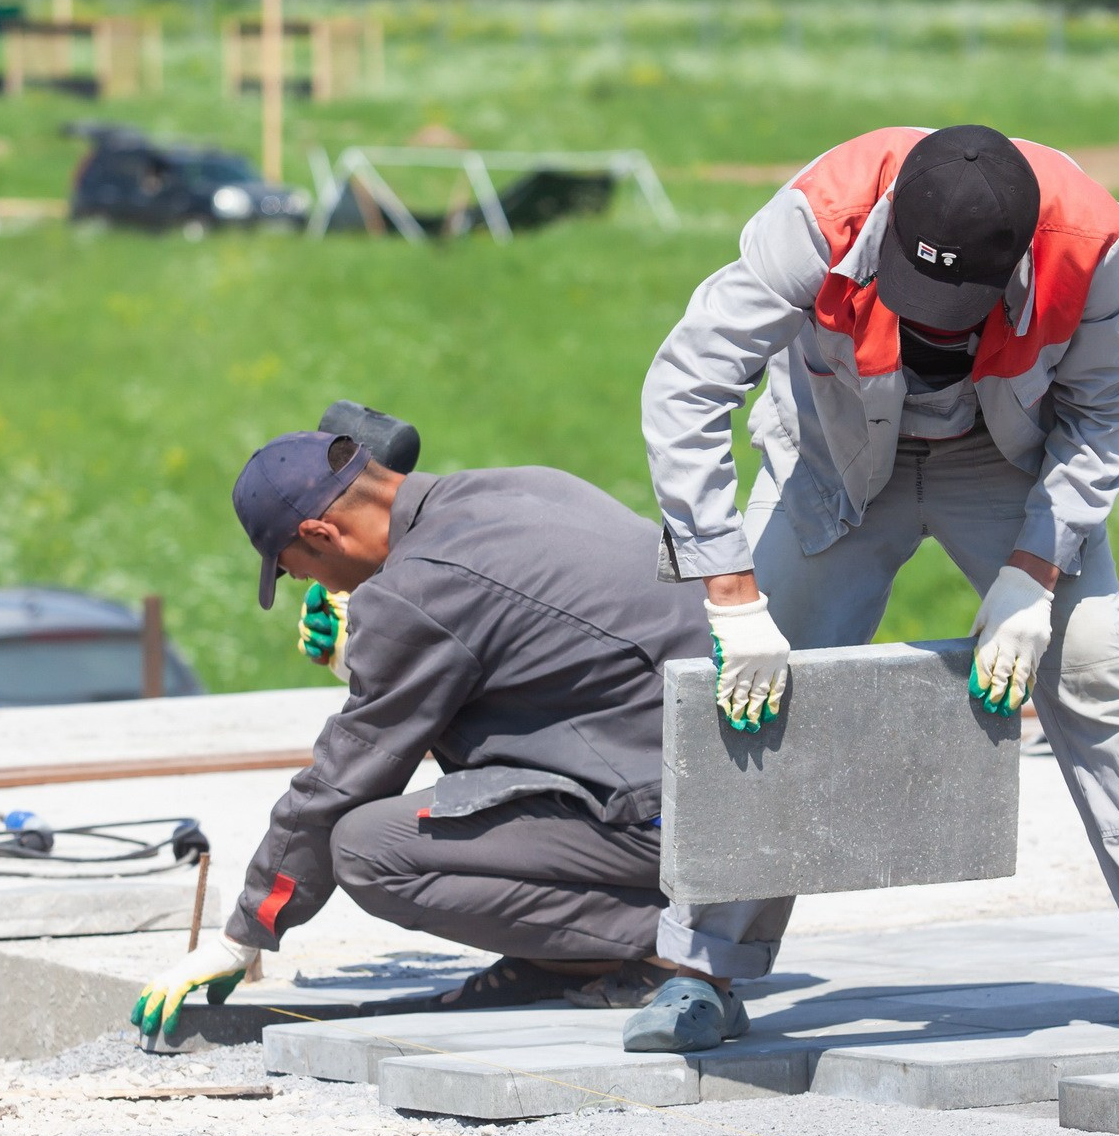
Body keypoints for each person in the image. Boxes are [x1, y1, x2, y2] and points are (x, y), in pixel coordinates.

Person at [635, 123, 1119, 1057]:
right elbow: (687, 381)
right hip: (837, 460)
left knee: (1101, 663)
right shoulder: (821, 216)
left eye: (960, 303)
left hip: (1001, 463)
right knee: (751, 690)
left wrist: (1035, 574)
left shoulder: (1091, 243)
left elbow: (1101, 410)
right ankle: (700, 971)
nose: (934, 319)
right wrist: (732, 593)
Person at [130, 432, 715, 1044]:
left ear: (322, 535)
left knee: (367, 849)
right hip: (720, 789)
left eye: (302, 570)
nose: (326, 591)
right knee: (456, 774)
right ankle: (580, 953)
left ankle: (679, 946)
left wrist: (243, 934)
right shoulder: (521, 485)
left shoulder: (417, 592)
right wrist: (363, 656)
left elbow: (343, 779)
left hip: (678, 826)